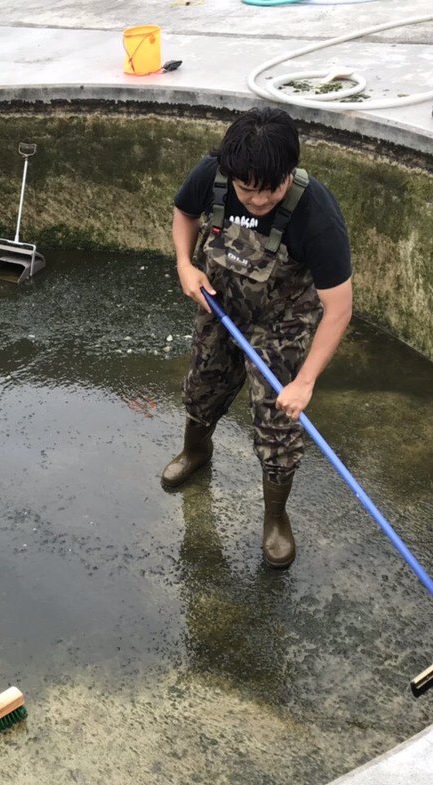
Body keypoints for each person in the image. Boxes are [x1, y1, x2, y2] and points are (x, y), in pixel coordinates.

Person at [164, 107, 353, 568]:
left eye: (270, 189)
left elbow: (339, 308)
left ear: (289, 172)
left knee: (277, 418)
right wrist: (185, 264)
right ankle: (195, 452)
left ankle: (275, 517)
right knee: (202, 384)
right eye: (247, 189)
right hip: (221, 305)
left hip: (282, 321)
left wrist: (305, 381)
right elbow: (184, 213)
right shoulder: (212, 175)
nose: (257, 200)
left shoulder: (318, 216)